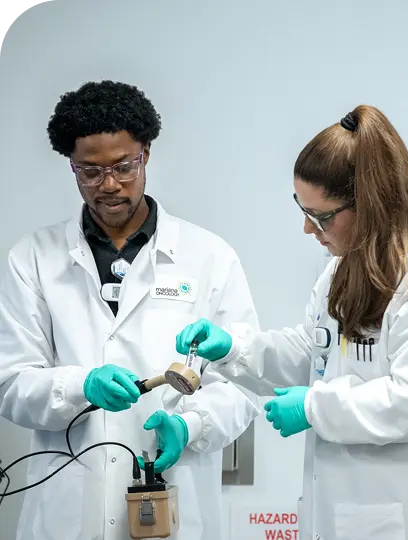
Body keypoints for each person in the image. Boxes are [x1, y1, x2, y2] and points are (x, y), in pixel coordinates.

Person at [176, 105, 408, 540]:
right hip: (339, 514)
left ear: (372, 204)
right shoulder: (346, 265)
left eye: (321, 216)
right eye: (302, 209)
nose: (308, 228)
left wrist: (313, 407)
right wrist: (233, 350)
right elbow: (314, 353)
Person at [0, 80, 261, 540]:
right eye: (90, 171)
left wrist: (192, 424)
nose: (110, 185)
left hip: (177, 505)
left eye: (125, 166)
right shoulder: (34, 258)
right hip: (68, 513)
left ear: (146, 154)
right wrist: (80, 385)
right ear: (71, 167)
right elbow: (11, 383)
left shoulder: (209, 257)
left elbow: (241, 385)